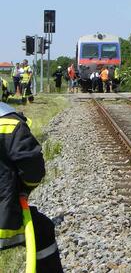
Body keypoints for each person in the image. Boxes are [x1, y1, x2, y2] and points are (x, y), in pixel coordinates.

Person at [0, 101, 63, 272]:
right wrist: (24, 190)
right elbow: (33, 170)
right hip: (3, 221)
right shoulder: (9, 123)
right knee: (42, 230)